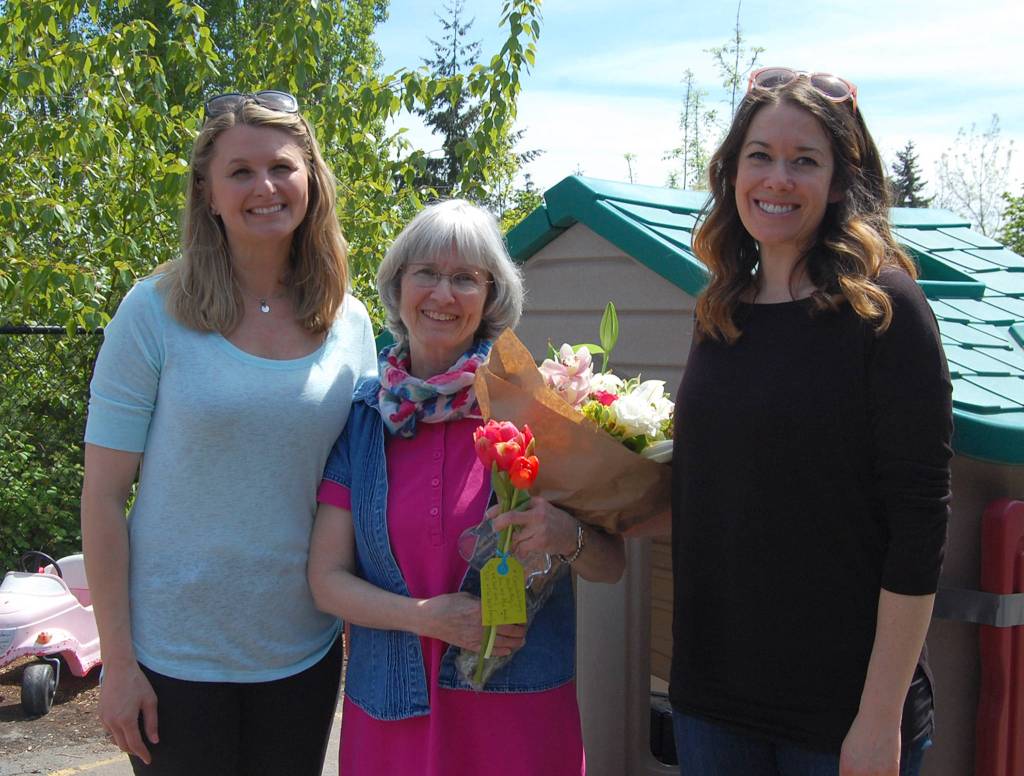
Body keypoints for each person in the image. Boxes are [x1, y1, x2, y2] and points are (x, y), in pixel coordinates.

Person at [80, 90, 377, 775]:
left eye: (282, 167)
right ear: (208, 195)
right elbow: (102, 497)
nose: (264, 187)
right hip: (172, 659)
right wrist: (117, 664)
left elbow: (356, 488)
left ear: (312, 182)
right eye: (240, 172)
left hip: (301, 650)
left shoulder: (350, 323)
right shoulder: (152, 312)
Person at [667, 68, 953, 775]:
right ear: (733, 170)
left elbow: (920, 528)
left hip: (838, 716)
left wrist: (880, 719)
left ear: (838, 179)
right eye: (760, 155)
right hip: (713, 702)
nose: (778, 178)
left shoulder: (886, 310)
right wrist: (580, 512)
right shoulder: (720, 310)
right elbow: (710, 494)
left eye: (805, 160)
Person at [307, 199, 626, 776]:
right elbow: (325, 581)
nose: (442, 294)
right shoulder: (363, 416)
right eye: (425, 272)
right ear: (398, 285)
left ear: (491, 297)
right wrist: (427, 617)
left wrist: (565, 533)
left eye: (464, 278)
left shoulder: (536, 412)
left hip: (516, 719)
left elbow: (610, 566)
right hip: (394, 714)